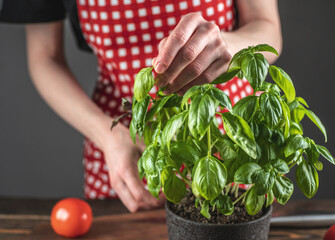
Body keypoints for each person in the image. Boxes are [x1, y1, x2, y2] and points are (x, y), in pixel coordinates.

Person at [0, 0, 282, 212]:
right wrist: (109, 137)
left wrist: (228, 46)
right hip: (126, 148)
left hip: (231, 145)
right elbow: (44, 57)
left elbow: (266, 26)